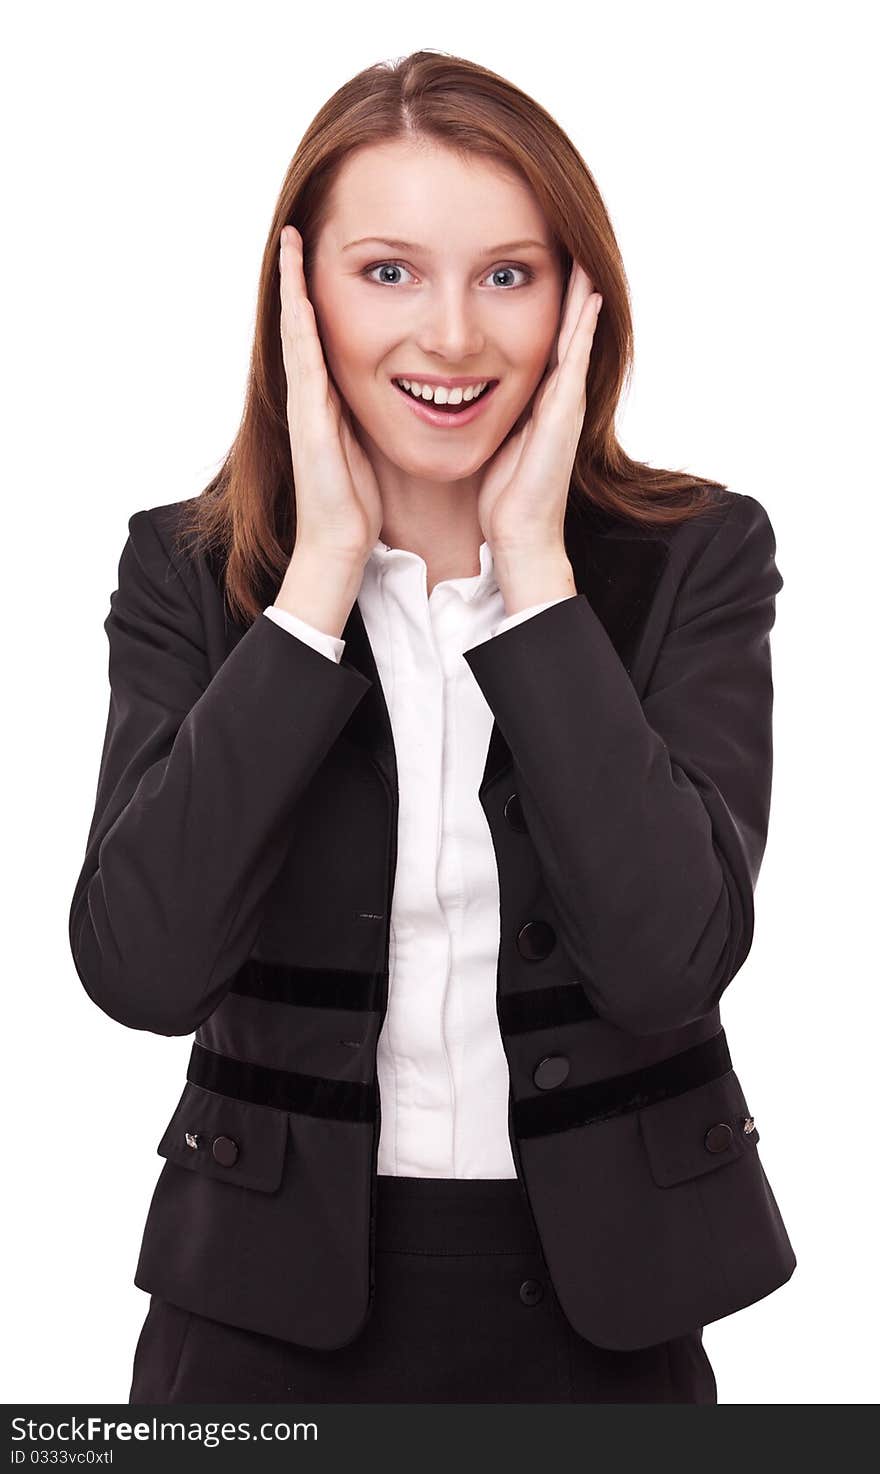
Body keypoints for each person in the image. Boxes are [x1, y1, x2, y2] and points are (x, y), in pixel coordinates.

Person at [69, 49, 796, 1405]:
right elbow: (142, 970)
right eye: (388, 271)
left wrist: (534, 573)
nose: (451, 338)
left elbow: (668, 961)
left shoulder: (695, 556)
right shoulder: (190, 571)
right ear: (299, 295)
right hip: (254, 1319)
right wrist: (317, 584)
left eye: (507, 275)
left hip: (605, 1317)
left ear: (582, 302)